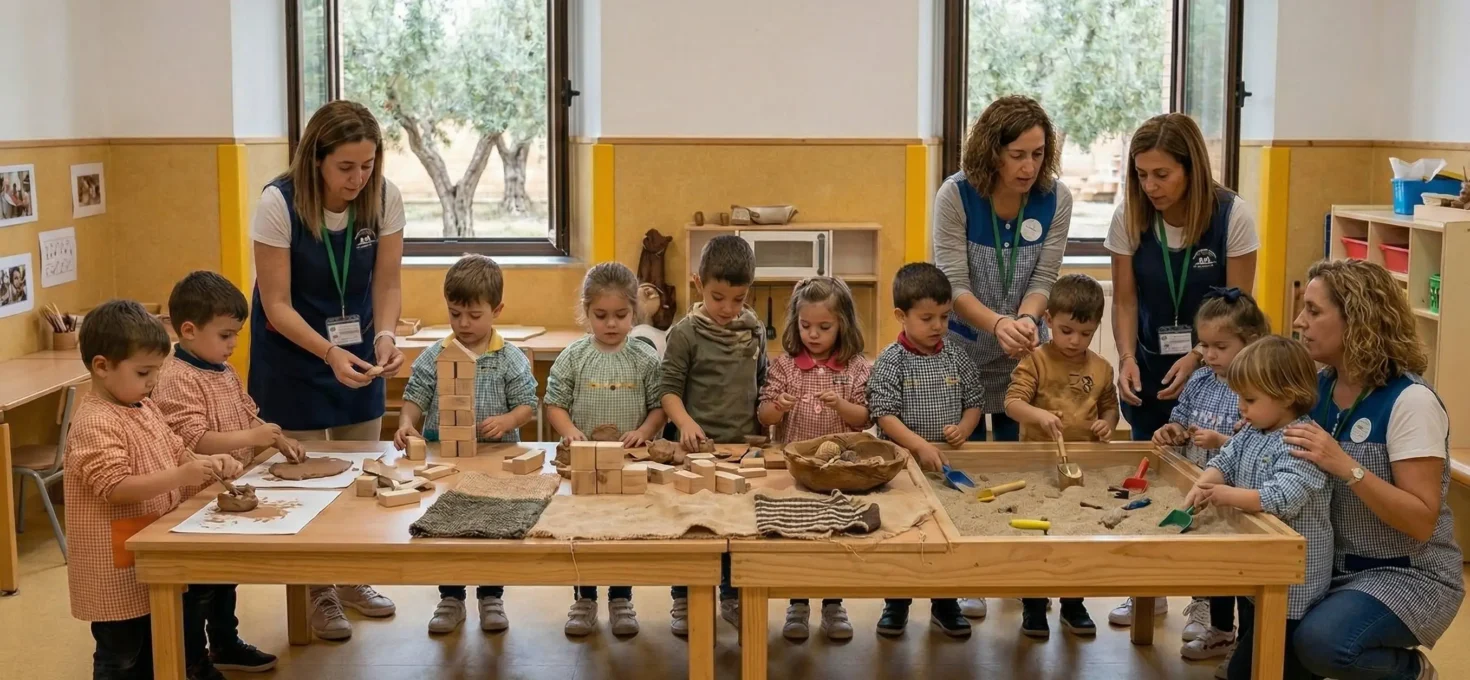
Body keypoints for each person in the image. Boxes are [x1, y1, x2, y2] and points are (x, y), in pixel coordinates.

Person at [248, 100, 406, 640]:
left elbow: (387, 282)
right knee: (306, 475)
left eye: (367, 165)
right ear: (316, 159)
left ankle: (353, 576)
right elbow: (277, 305)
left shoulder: (383, 197)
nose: (358, 179)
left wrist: (385, 336)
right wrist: (328, 353)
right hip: (292, 353)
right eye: (345, 167)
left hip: (356, 347)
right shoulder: (278, 202)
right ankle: (318, 591)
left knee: (363, 470)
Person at [1106, 113, 1258, 628]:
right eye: (1141, 174)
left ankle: (1206, 601)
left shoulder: (1232, 215)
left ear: (1191, 169)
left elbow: (1240, 307)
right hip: (1149, 363)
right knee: (1150, 475)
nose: (1150, 186)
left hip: (1217, 368)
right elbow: (1125, 300)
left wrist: (1197, 356)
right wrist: (1126, 358)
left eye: (1162, 174)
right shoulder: (1130, 216)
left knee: (1208, 476)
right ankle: (1146, 590)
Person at [1287, 259, 1464, 680]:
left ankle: (1411, 671)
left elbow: (1421, 520)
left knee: (1322, 643)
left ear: (1356, 320)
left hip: (1407, 574)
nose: (1298, 322)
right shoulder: (1318, 387)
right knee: (1264, 649)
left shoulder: (1412, 402)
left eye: (1313, 311)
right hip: (1330, 565)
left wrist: (1345, 466)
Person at [63, 300, 243, 680]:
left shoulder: (142, 405)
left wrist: (208, 462)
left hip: (148, 550)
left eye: (157, 371)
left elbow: (175, 449)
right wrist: (181, 476)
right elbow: (115, 487)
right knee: (122, 655)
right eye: (144, 372)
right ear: (102, 366)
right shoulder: (95, 421)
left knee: (154, 646)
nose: (153, 382)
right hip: (115, 566)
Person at [153, 272, 303, 673]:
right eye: (225, 335)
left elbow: (248, 414)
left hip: (226, 495)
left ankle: (224, 643)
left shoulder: (222, 368)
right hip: (194, 502)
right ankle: (193, 660)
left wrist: (275, 438)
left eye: (236, 334)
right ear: (189, 330)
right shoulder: (176, 377)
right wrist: (254, 435)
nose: (233, 343)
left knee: (224, 579)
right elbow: (195, 439)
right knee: (197, 589)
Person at [393, 254, 537, 636]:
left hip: (495, 461)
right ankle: (451, 597)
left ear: (496, 310)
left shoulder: (509, 358)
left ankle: (491, 596)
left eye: (474, 315)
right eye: (455, 314)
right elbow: (415, 394)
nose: (463, 324)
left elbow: (528, 405)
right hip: (445, 460)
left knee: (492, 528)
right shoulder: (436, 354)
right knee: (446, 528)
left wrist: (507, 421)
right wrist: (406, 423)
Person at [1185, 336, 1331, 680]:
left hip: (1293, 586)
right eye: (1239, 397)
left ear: (1288, 396)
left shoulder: (1302, 441)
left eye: (1249, 399)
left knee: (1274, 664)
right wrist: (1205, 481)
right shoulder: (1254, 429)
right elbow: (1226, 458)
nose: (1241, 408)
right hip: (1258, 572)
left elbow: (1281, 498)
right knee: (1251, 640)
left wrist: (1226, 495)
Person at [932, 95, 1071, 444]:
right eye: (1017, 155)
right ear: (992, 152)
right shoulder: (956, 195)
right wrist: (997, 324)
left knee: (1020, 451)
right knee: (968, 448)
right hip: (964, 348)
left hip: (1022, 348)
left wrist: (1025, 320)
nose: (1029, 167)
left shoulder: (1056, 199)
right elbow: (953, 285)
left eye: (1038, 154)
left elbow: (1044, 278)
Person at [1145, 287, 1270, 666]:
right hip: (1198, 487)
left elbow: (1261, 442)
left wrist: (1220, 440)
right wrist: (1172, 431)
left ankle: (1242, 641)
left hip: (1239, 493)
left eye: (1220, 346)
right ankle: (1218, 628)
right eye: (1204, 346)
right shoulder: (1199, 380)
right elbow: (1181, 420)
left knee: (1238, 570)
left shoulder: (1256, 389)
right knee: (1212, 566)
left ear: (1250, 342)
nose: (1210, 355)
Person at [545, 262, 666, 638]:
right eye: (601, 316)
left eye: (620, 315)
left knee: (622, 530)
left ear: (634, 312)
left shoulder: (645, 358)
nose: (611, 324)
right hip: (584, 465)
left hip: (629, 464)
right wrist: (570, 432)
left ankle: (621, 597)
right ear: (586, 312)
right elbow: (554, 404)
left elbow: (659, 406)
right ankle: (584, 598)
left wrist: (644, 431)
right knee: (583, 531)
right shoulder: (574, 356)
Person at [869, 262, 983, 639]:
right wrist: (918, 445)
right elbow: (884, 414)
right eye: (927, 318)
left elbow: (974, 400)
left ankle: (945, 604)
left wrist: (964, 428)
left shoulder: (955, 356)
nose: (938, 326)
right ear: (901, 316)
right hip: (902, 469)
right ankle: (896, 604)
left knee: (946, 535)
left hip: (945, 467)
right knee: (903, 535)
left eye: (945, 317)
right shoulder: (891, 360)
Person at [659, 234, 766, 635]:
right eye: (718, 297)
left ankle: (732, 595)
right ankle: (683, 597)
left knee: (736, 525)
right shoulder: (685, 333)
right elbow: (668, 390)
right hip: (694, 450)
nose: (727, 308)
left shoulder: (753, 330)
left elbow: (761, 383)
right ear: (698, 283)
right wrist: (685, 422)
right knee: (692, 525)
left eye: (738, 299)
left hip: (740, 450)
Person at [1003, 273, 1116, 640]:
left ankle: (1073, 603)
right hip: (1037, 462)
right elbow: (1012, 403)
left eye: (1086, 333)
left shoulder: (1101, 368)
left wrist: (1107, 425)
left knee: (1078, 533)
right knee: (1038, 535)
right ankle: (1034, 606)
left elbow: (1109, 407)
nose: (1075, 340)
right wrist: (1039, 415)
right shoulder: (1035, 361)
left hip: (1082, 466)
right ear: (1048, 319)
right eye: (1066, 331)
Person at [758, 276, 871, 642]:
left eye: (824, 327)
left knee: (835, 537)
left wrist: (841, 405)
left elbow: (864, 418)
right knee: (799, 536)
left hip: (840, 473)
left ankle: (834, 603)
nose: (813, 334)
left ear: (843, 325)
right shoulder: (785, 366)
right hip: (798, 473)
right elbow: (764, 415)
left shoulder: (856, 367)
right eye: (806, 325)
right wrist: (778, 406)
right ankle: (798, 602)